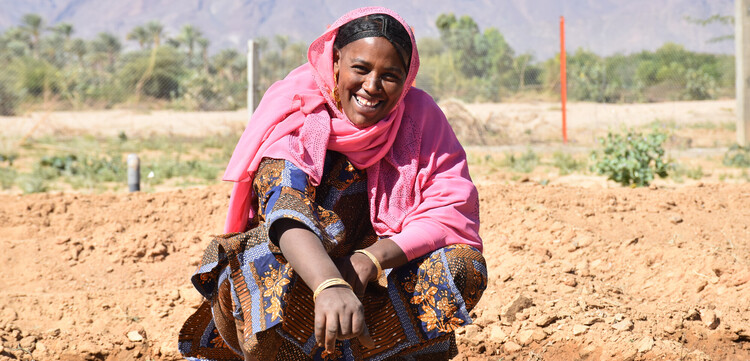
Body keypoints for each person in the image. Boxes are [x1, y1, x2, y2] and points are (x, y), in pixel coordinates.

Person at [179, 7, 487, 361]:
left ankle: (384, 353)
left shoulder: (419, 119)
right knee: (259, 255)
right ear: (336, 61)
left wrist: (369, 259)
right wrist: (329, 283)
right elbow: (286, 210)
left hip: (367, 294)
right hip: (298, 295)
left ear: (406, 80)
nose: (372, 86)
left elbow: (448, 214)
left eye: (390, 75)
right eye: (361, 68)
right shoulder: (297, 114)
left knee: (461, 266)